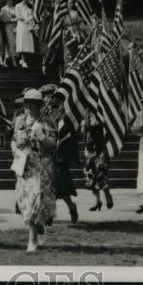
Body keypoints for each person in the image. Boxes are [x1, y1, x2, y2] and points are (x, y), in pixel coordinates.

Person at [10, 88, 57, 252]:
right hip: (24, 166)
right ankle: (38, 230)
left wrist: (42, 137)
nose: (29, 106)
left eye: (33, 104)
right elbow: (14, 140)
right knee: (26, 203)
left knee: (36, 201)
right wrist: (15, 150)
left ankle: (32, 240)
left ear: (39, 105)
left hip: (41, 166)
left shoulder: (47, 122)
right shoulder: (19, 121)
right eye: (27, 103)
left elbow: (52, 145)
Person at [42, 85, 80, 223]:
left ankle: (72, 207)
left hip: (58, 156)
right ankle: (49, 214)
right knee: (47, 186)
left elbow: (66, 136)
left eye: (50, 95)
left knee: (63, 190)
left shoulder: (61, 114)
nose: (47, 98)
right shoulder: (43, 114)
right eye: (45, 95)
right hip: (45, 154)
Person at [81, 113, 113, 212]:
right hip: (89, 151)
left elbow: (108, 131)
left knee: (101, 175)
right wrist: (84, 125)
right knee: (91, 178)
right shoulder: (86, 116)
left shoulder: (102, 114)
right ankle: (97, 201)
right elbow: (83, 134)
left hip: (100, 150)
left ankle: (107, 194)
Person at [13, 0, 38, 69]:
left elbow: (31, 16)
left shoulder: (28, 8)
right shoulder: (18, 6)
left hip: (27, 26)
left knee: (27, 43)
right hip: (21, 25)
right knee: (22, 42)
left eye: (27, 0)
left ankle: (23, 59)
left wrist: (31, 21)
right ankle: (23, 60)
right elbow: (18, 16)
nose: (26, 1)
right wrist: (26, 19)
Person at [0, 0, 17, 67]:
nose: (10, 1)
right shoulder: (3, 9)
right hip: (7, 27)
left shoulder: (14, 8)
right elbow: (1, 19)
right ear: (6, 1)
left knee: (14, 43)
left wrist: (15, 19)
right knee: (10, 43)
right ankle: (13, 61)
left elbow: (17, 16)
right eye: (8, 0)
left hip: (15, 27)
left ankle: (5, 61)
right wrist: (8, 20)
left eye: (11, 0)